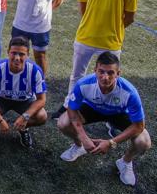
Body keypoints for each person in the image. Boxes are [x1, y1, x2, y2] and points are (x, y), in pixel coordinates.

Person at [52, 0, 137, 119]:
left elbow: (129, 17)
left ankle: (112, 116)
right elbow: (83, 8)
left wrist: (112, 28)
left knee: (112, 80)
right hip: (85, 37)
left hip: (111, 42)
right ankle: (68, 104)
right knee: (76, 76)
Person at [57, 52, 151, 186]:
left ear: (118, 73)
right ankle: (79, 146)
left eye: (111, 73)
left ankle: (125, 162)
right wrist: (84, 139)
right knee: (63, 122)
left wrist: (111, 142)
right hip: (92, 109)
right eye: (101, 71)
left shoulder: (129, 92)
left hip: (118, 113)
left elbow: (139, 126)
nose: (105, 77)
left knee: (144, 141)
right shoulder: (83, 84)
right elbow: (71, 110)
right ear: (95, 70)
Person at [0, 36, 47, 148]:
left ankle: (23, 127)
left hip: (25, 101)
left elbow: (41, 99)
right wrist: (0, 119)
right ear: (8, 52)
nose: (17, 58)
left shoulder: (35, 71)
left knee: (42, 116)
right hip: (2, 99)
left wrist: (25, 116)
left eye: (21, 54)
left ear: (28, 55)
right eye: (13, 53)